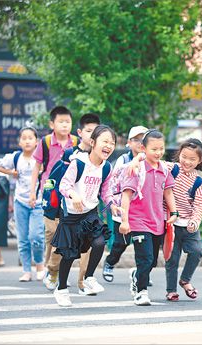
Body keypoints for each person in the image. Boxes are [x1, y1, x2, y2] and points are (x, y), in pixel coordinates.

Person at [51, 125, 122, 307]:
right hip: (71, 216)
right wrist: (74, 195)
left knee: (99, 242)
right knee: (69, 254)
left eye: (112, 143)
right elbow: (64, 185)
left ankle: (89, 278)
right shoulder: (79, 163)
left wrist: (112, 205)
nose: (109, 146)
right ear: (92, 142)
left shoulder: (106, 167)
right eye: (105, 141)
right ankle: (61, 289)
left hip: (90, 213)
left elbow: (105, 191)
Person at [119, 129, 178, 306]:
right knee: (144, 258)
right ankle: (141, 292)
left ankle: (137, 276)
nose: (158, 152)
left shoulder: (164, 170)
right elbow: (126, 195)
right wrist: (124, 220)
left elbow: (168, 192)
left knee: (151, 260)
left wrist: (174, 213)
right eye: (154, 149)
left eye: (161, 148)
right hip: (138, 221)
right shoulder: (136, 169)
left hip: (157, 221)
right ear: (143, 148)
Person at [29, 106, 78, 291]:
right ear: (52, 124)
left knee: (65, 233)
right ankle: (52, 268)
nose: (65, 125)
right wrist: (33, 191)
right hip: (50, 194)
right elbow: (37, 167)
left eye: (68, 122)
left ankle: (57, 270)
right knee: (51, 233)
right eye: (61, 122)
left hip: (69, 194)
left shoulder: (76, 142)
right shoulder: (46, 142)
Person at [0, 127, 45, 281]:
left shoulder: (41, 158)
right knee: (23, 238)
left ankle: (39, 265)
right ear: (19, 142)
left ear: (37, 142)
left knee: (36, 236)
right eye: (24, 138)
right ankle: (26, 271)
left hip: (37, 203)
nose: (27, 141)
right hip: (20, 202)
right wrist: (12, 173)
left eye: (30, 138)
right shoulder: (16, 157)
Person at [102, 125, 148, 283]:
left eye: (143, 139)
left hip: (142, 211)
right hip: (124, 209)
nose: (140, 143)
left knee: (143, 245)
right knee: (122, 242)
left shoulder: (151, 160)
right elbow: (115, 182)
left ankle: (141, 273)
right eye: (136, 139)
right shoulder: (123, 159)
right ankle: (109, 262)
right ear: (129, 142)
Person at [164, 138, 202, 302]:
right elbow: (153, 162)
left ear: (199, 160)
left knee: (196, 251)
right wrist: (138, 159)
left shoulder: (198, 180)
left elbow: (199, 204)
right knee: (172, 258)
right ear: (179, 154)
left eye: (192, 159)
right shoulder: (172, 168)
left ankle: (185, 280)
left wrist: (195, 221)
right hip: (170, 224)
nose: (187, 162)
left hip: (189, 225)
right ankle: (171, 290)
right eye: (184, 156)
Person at [69, 113, 101, 296]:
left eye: (95, 132)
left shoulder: (102, 159)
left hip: (90, 210)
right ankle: (55, 272)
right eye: (89, 131)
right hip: (71, 209)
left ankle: (83, 281)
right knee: (68, 248)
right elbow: (62, 182)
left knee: (91, 244)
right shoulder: (72, 155)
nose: (91, 136)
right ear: (81, 132)